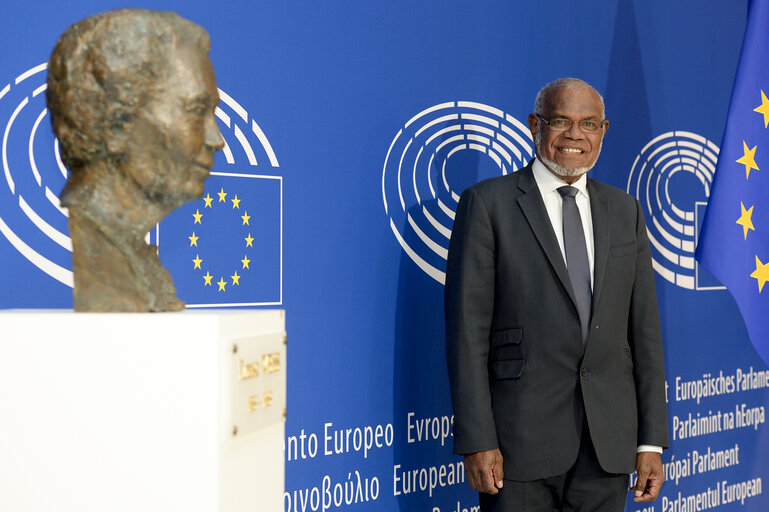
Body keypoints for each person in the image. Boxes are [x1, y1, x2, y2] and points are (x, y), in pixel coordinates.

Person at [445, 78, 668, 511]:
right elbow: (466, 334)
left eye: (589, 124)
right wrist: (478, 440)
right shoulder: (488, 204)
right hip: (518, 448)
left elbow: (645, 334)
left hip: (607, 447)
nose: (574, 135)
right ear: (535, 125)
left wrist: (651, 441)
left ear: (604, 131)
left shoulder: (626, 211)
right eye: (561, 120)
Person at [46, 9, 224, 311]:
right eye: (195, 110)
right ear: (117, 125)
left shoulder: (138, 259)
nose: (216, 140)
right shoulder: (102, 252)